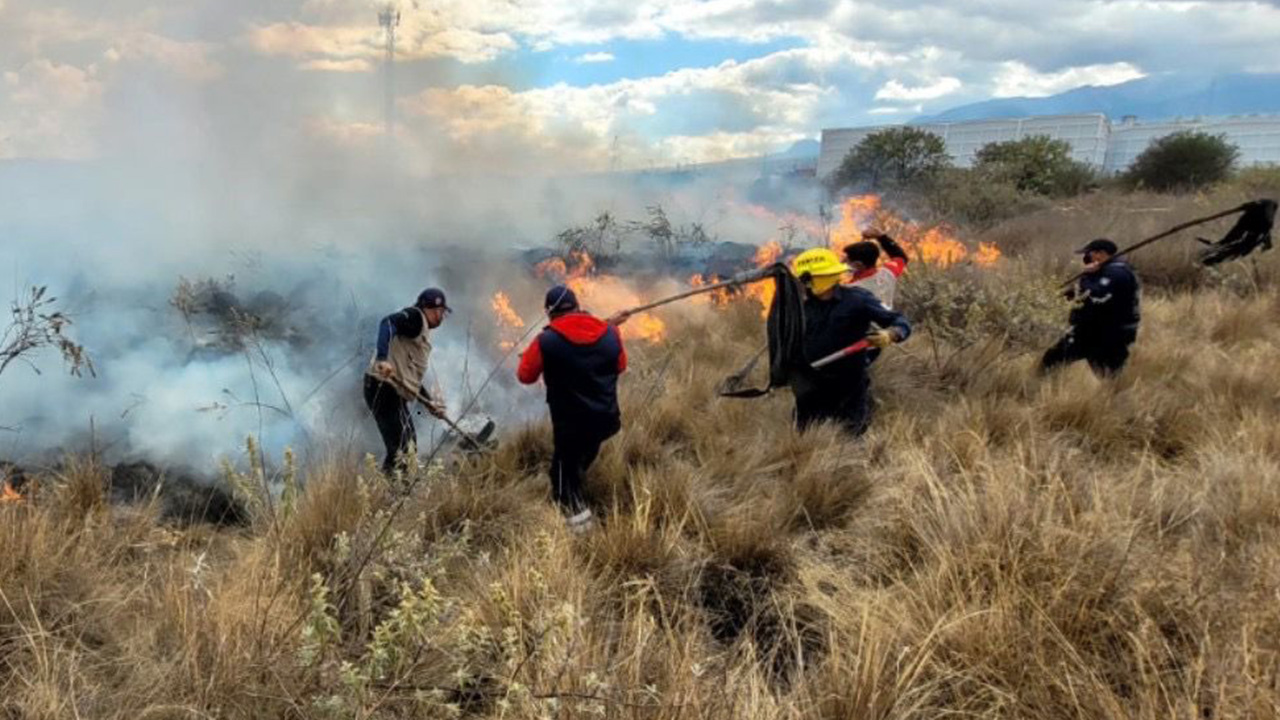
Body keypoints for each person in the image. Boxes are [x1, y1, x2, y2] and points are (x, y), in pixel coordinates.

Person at [517, 285, 627, 533]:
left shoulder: (546, 341)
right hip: (605, 421)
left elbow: (525, 376)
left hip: (570, 426)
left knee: (562, 477)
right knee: (577, 464)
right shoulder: (610, 333)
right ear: (578, 306)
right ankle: (575, 495)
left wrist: (535, 358)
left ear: (549, 312)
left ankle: (581, 532)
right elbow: (620, 365)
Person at [790, 248, 911, 435]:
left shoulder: (857, 300)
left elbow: (899, 321)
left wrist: (891, 334)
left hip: (848, 384)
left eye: (807, 278)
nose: (804, 284)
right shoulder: (801, 307)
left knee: (849, 439)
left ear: (824, 276)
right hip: (810, 385)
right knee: (804, 438)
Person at [364, 288, 450, 475]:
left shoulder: (422, 333)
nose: (439, 316)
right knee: (401, 448)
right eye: (436, 311)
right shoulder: (415, 318)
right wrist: (382, 358)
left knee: (408, 445)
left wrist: (429, 404)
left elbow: (410, 378)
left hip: (393, 391)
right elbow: (387, 322)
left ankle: (393, 489)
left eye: (442, 312)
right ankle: (394, 494)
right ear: (425, 308)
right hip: (383, 387)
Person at [1040, 238, 1141, 377]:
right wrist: (1058, 296)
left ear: (1101, 254)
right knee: (1053, 359)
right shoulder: (1106, 270)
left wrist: (1087, 275)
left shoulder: (1117, 273)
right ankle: (1041, 389)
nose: (1086, 258)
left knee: (1109, 375)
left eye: (1089, 253)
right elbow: (1084, 292)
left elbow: (1096, 294)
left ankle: (1116, 395)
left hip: (1105, 333)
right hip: (1094, 331)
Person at [843, 228, 909, 308]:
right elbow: (900, 257)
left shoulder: (849, 290)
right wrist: (882, 237)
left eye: (846, 260)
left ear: (858, 264)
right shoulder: (887, 274)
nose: (842, 262)